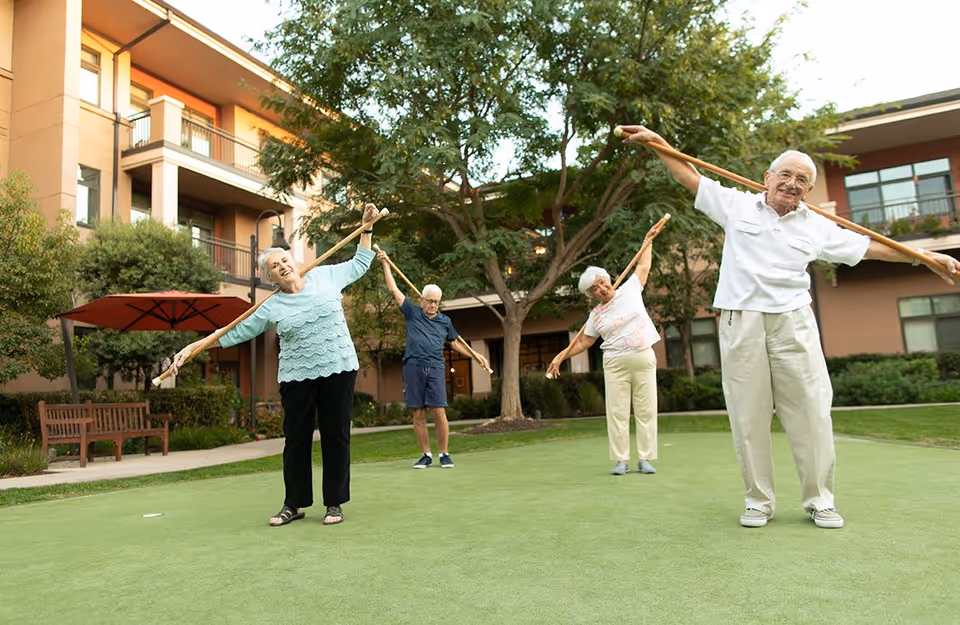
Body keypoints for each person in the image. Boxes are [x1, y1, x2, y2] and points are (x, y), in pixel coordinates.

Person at [620, 124, 960, 529]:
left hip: (794, 322)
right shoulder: (735, 204)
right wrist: (657, 142)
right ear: (768, 178)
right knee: (748, 415)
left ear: (808, 189)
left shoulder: (817, 226)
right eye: (786, 175)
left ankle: (820, 500)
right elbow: (688, 175)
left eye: (803, 180)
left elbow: (870, 248)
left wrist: (923, 256)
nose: (793, 183)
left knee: (812, 412)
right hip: (740, 320)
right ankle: (758, 501)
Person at [171, 204, 381, 527]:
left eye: (284, 260)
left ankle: (334, 503)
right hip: (297, 375)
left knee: (335, 435)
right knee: (296, 438)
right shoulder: (272, 306)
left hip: (338, 366)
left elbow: (361, 263)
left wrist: (366, 227)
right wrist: (194, 347)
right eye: (274, 266)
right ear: (270, 278)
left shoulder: (325, 275)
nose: (282, 266)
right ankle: (294, 504)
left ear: (294, 261)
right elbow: (235, 331)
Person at [546, 241, 661, 477]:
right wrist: (561, 355)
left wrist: (648, 239)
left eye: (602, 282)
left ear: (608, 279)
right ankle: (621, 461)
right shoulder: (596, 315)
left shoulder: (630, 289)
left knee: (646, 410)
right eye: (595, 289)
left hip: (643, 357)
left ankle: (645, 458)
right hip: (615, 364)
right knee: (617, 413)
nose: (601, 288)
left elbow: (644, 265)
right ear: (591, 295)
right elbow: (584, 341)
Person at [377, 250, 490, 469]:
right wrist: (386, 264)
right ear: (422, 300)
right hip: (413, 366)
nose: (433, 305)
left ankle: (444, 454)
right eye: (430, 301)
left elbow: (455, 342)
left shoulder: (444, 321)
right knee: (418, 412)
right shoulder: (411, 312)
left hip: (436, 367)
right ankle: (426, 454)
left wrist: (477, 357)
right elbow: (394, 289)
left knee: (439, 411)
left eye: (437, 302)